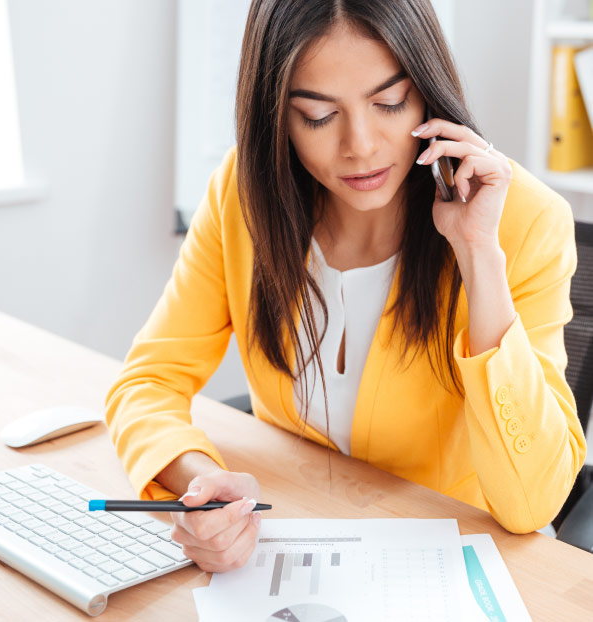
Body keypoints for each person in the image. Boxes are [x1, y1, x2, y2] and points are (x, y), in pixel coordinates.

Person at [105, 0, 587, 573]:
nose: (360, 144)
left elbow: (533, 503)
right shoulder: (241, 195)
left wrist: (478, 254)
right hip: (288, 545)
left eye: (389, 102)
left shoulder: (522, 220)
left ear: (428, 92)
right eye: (317, 116)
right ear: (276, 116)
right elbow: (148, 380)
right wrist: (199, 482)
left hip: (448, 563)